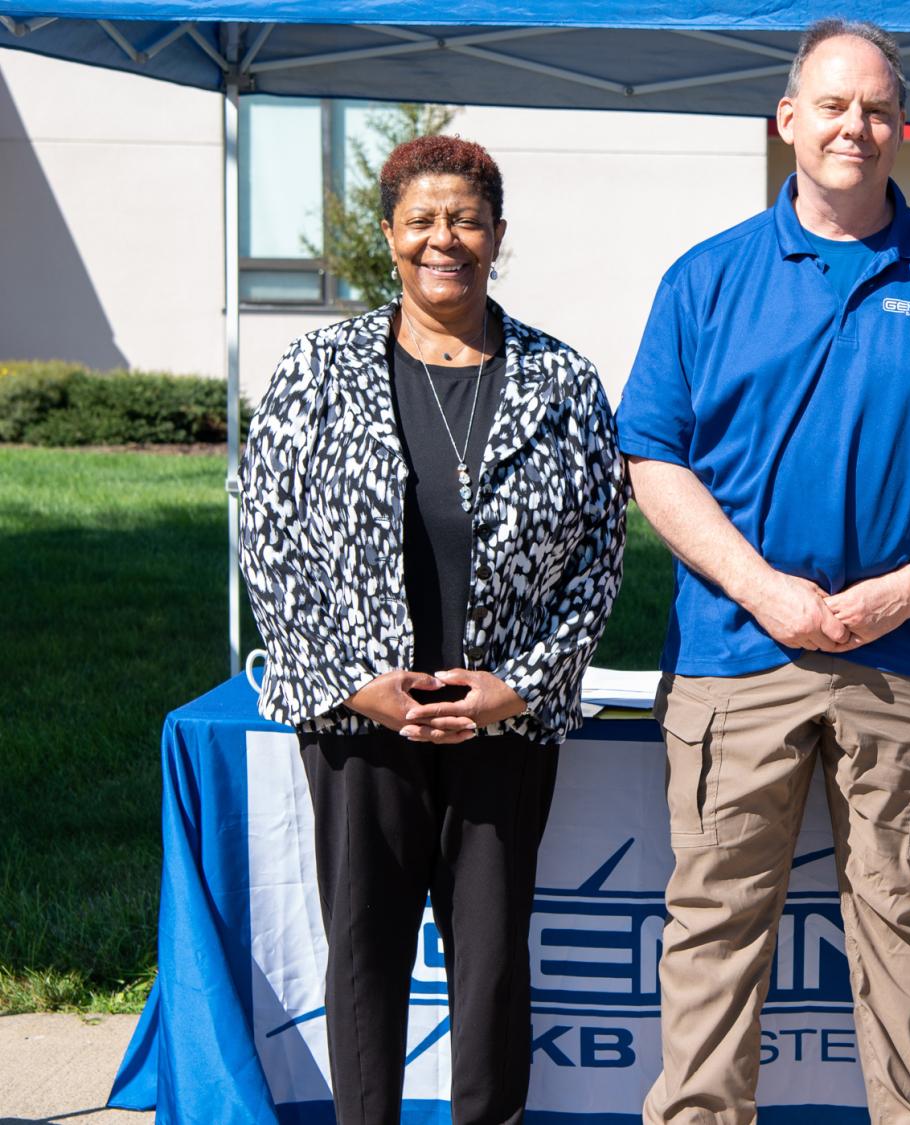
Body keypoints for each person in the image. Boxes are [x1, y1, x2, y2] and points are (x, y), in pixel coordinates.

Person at [616, 19, 910, 1124]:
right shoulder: (706, 280)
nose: (859, 126)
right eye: (836, 105)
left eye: (880, 109)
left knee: (902, 925)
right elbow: (653, 461)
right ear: (788, 119)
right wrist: (765, 591)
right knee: (714, 926)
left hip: (908, 659)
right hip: (736, 654)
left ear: (903, 127)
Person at [237, 134, 627, 1125]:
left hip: (499, 724)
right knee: (364, 955)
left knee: (493, 967)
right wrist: (348, 676)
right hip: (362, 724)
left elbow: (599, 554)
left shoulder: (563, 381)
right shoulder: (318, 370)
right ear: (389, 234)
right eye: (422, 220)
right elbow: (268, 538)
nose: (442, 239)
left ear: (497, 234)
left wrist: (526, 683)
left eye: (465, 219)